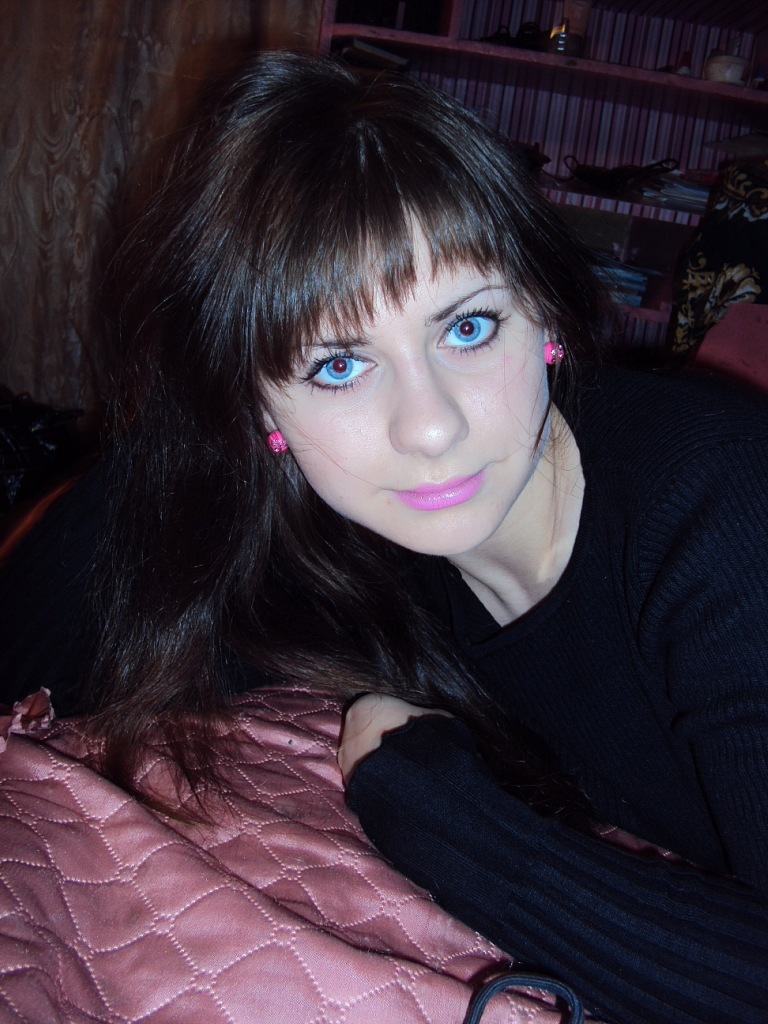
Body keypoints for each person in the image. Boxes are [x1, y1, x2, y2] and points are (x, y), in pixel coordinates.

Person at [0, 51, 766, 1024]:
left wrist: (454, 826)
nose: (430, 426)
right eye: (338, 366)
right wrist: (195, 433)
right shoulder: (371, 541)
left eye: (468, 328)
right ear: (261, 410)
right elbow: (77, 630)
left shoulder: (719, 514)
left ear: (545, 317)